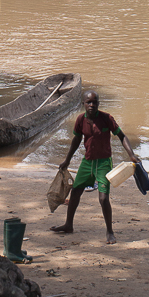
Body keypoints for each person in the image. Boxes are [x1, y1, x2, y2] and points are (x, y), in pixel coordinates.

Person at [50, 90, 141, 244]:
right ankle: (68, 225)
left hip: (104, 163)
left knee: (103, 198)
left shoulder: (106, 119)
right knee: (75, 192)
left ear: (98, 103)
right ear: (83, 104)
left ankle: (110, 232)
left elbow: (122, 136)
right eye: (88, 102)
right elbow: (76, 140)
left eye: (95, 102)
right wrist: (67, 160)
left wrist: (131, 155)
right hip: (87, 162)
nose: (92, 105)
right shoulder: (80, 120)